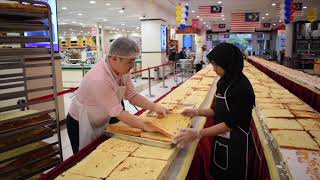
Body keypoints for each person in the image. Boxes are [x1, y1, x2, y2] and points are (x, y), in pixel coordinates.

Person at [66, 37, 169, 154]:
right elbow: (117, 112)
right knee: (84, 157)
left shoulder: (121, 71)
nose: (133, 65)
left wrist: (155, 107)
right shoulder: (99, 78)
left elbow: (132, 95)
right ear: (115, 58)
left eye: (134, 60)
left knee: (101, 152)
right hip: (81, 122)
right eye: (130, 61)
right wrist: (145, 126)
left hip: (101, 116)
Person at [175, 42, 255, 180]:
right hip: (221, 138)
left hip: (236, 143)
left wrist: (198, 133)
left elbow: (231, 124)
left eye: (216, 65)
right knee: (218, 172)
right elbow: (218, 111)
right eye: (212, 64)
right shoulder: (224, 81)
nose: (213, 69)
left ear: (228, 63)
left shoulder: (242, 88)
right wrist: (197, 112)